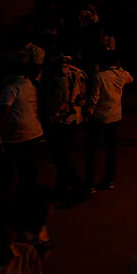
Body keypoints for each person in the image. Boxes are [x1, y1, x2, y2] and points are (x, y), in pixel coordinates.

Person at [0, 57, 46, 201]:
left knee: (8, 174)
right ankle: (27, 202)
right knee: (29, 173)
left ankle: (9, 204)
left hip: (17, 137)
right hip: (35, 133)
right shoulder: (30, 85)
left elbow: (3, 113)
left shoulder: (10, 89)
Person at [45, 50, 91, 202]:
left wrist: (55, 115)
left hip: (63, 120)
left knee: (61, 157)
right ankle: (62, 188)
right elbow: (83, 98)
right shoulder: (80, 74)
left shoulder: (61, 76)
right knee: (63, 155)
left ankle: (78, 188)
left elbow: (61, 100)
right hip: (75, 119)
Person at [84, 52, 133, 193]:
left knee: (91, 151)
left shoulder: (99, 77)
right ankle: (109, 179)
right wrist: (120, 69)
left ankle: (90, 183)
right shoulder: (120, 75)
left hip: (99, 117)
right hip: (115, 117)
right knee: (111, 150)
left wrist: (88, 112)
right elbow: (131, 78)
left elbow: (94, 98)